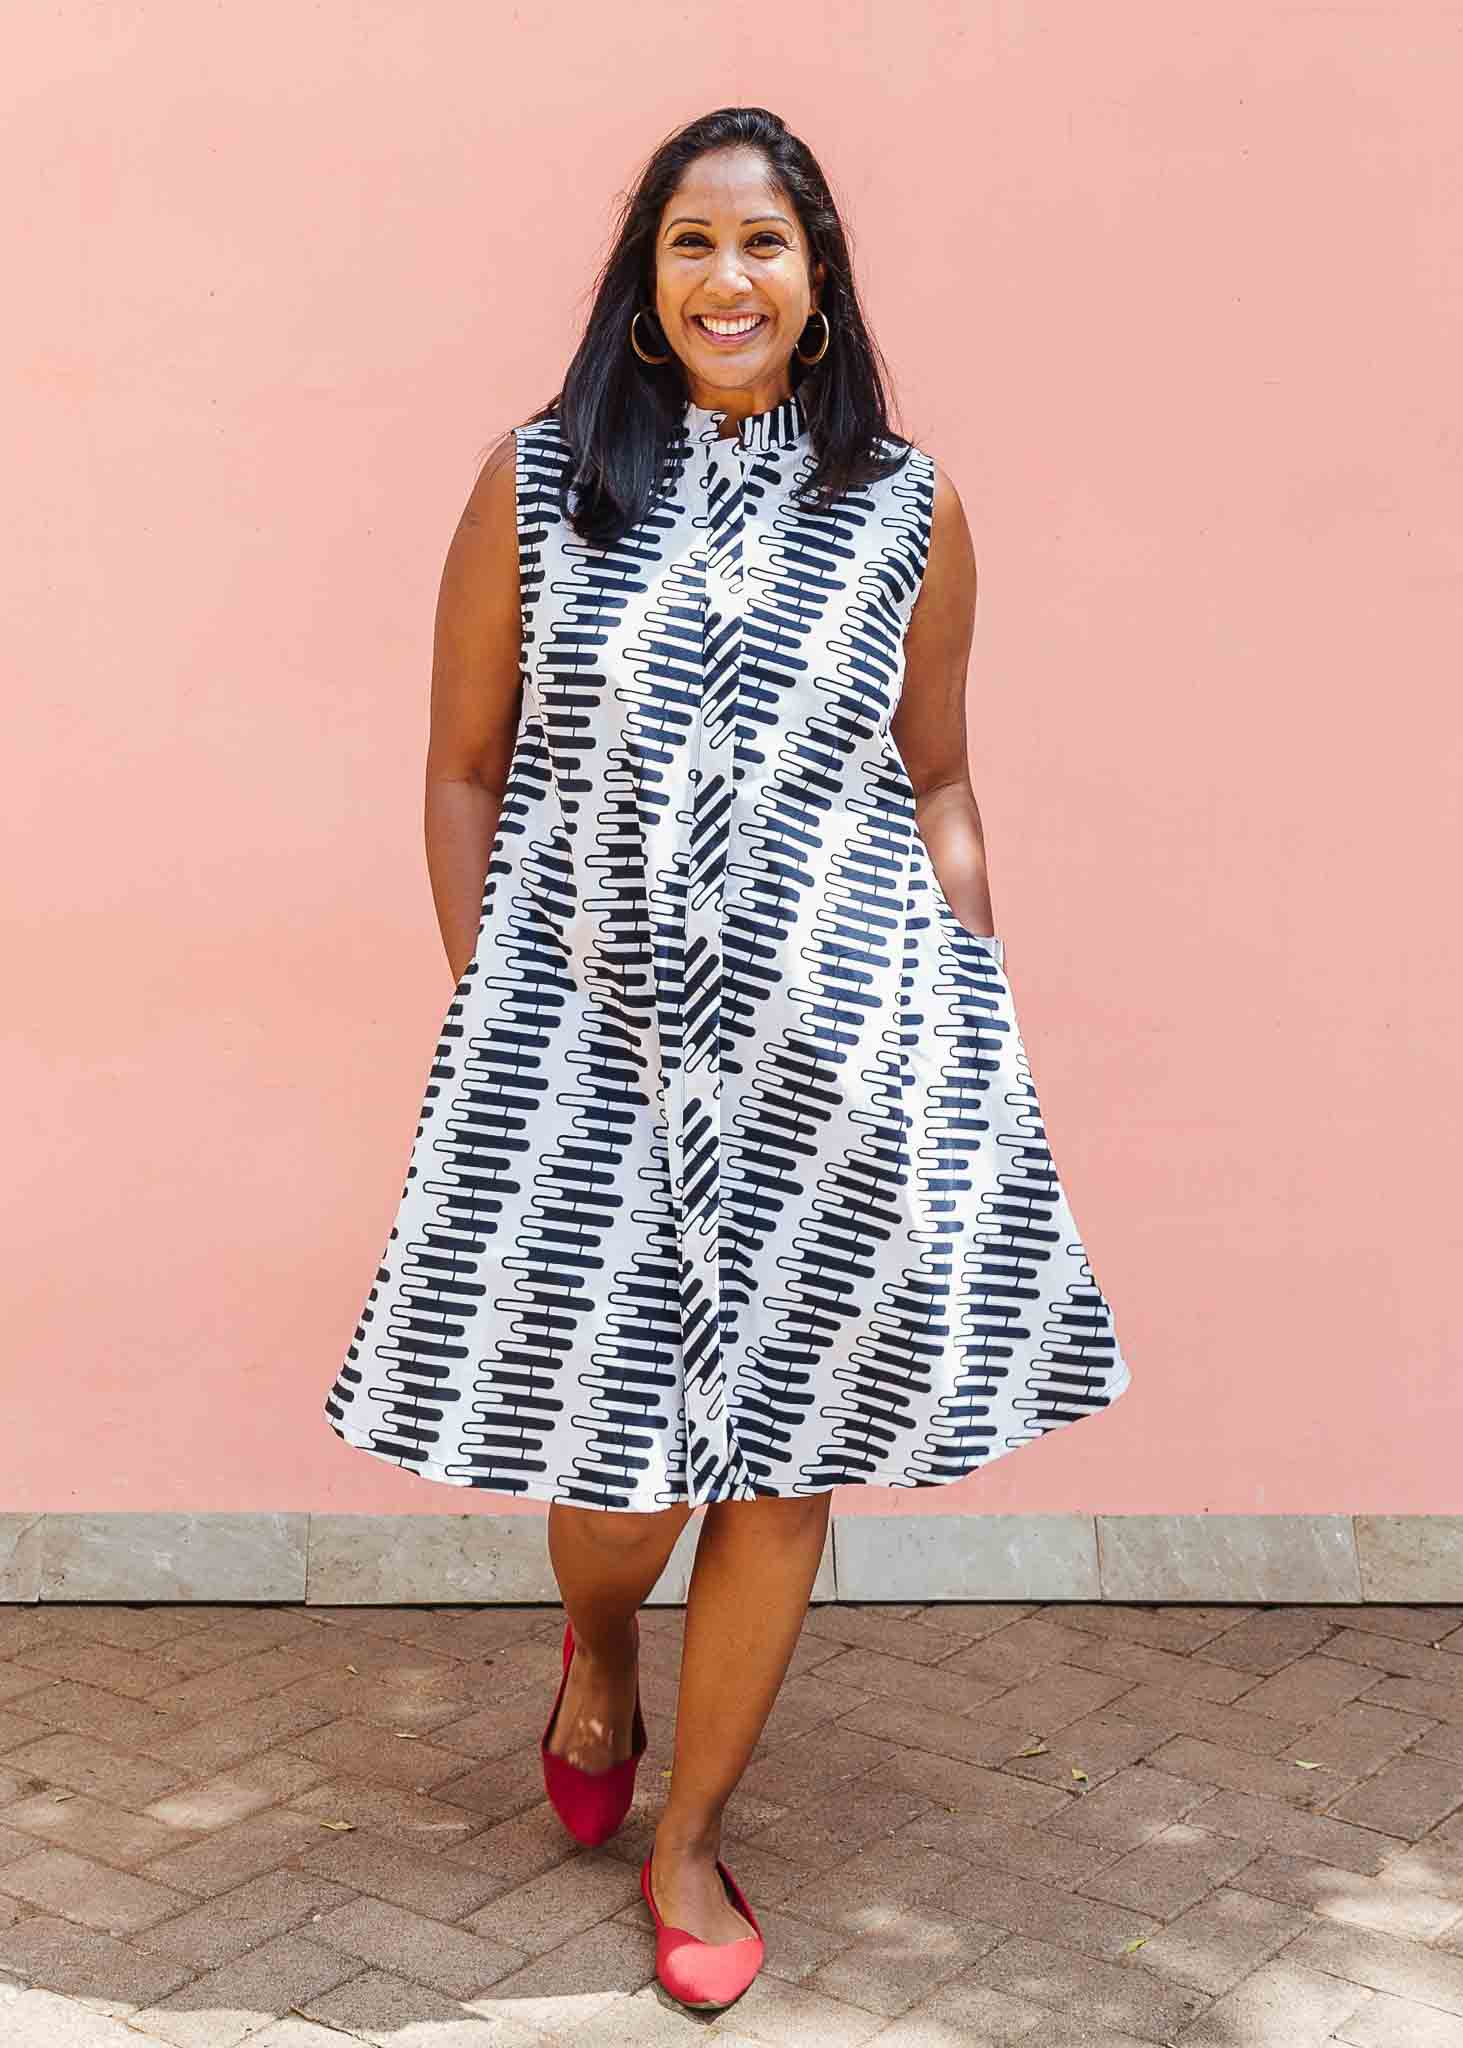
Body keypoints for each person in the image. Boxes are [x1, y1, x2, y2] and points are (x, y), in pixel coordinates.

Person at [323, 104, 1132, 2014]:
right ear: (645, 283)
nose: (729, 279)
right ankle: (600, 1649)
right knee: (615, 1492)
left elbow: (935, 777)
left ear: (821, 287)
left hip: (839, 1062)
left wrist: (964, 1009)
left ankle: (689, 1840)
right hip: (591, 1054)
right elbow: (461, 768)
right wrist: (498, 1009)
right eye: (692, 244)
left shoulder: (907, 506)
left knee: (787, 1467)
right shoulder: (535, 486)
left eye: (765, 247)